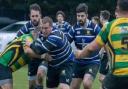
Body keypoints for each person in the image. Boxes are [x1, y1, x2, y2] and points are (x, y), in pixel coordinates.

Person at [75, 0, 128, 89]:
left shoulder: (109, 26)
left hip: (118, 74)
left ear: (117, 9)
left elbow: (91, 48)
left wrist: (80, 54)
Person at [25, 16, 74, 89]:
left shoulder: (55, 36)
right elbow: (38, 43)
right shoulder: (42, 34)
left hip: (66, 63)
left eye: (46, 28)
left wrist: (30, 44)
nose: (44, 30)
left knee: (63, 87)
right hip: (53, 65)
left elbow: (39, 50)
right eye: (43, 28)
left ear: (51, 27)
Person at [67, 3, 101, 89]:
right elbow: (66, 43)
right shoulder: (74, 28)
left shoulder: (94, 27)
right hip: (78, 61)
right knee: (73, 87)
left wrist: (102, 53)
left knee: (87, 83)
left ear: (87, 15)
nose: (80, 18)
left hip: (92, 61)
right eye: (78, 16)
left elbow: (104, 41)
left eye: (82, 16)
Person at [16, 3, 46, 89]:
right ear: (30, 16)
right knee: (32, 86)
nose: (35, 18)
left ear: (40, 15)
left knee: (40, 74)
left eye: (36, 16)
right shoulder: (27, 26)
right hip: (32, 59)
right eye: (33, 16)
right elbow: (17, 38)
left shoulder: (46, 25)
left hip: (44, 57)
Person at [98, 10, 110, 88]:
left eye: (100, 17)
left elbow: (105, 43)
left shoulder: (105, 27)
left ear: (101, 18)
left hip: (107, 55)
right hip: (109, 55)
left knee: (102, 77)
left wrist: (101, 52)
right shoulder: (110, 25)